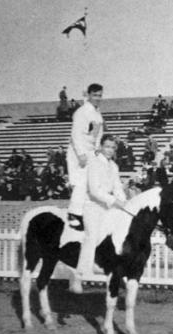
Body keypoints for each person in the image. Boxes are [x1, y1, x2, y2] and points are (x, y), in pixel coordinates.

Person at [74, 134, 126, 292]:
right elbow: (95, 191)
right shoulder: (94, 163)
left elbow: (118, 188)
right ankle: (78, 275)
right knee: (92, 237)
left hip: (109, 207)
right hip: (93, 206)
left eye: (113, 147)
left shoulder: (114, 166)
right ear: (101, 147)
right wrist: (114, 201)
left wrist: (124, 201)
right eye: (107, 147)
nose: (110, 150)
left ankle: (110, 268)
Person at [67, 83, 104, 230]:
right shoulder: (82, 112)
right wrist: (81, 154)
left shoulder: (97, 113)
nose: (97, 98)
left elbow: (98, 136)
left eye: (100, 95)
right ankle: (73, 214)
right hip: (78, 151)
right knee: (81, 181)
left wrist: (97, 152)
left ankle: (85, 213)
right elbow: (76, 134)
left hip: (91, 151)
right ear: (88, 95)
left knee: (92, 181)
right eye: (94, 95)